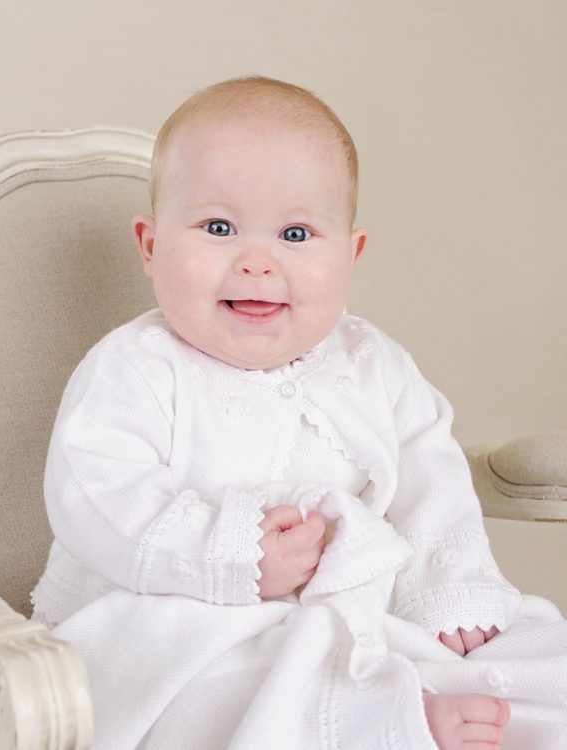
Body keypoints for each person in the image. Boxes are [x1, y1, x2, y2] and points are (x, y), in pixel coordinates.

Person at [32, 76, 567, 750]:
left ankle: (410, 699)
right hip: (176, 619)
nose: (257, 263)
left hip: (357, 609)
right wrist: (231, 552)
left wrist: (451, 591)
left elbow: (431, 478)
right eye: (219, 228)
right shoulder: (134, 367)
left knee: (536, 650)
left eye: (295, 233)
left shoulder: (372, 362)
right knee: (224, 678)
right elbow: (96, 493)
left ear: (350, 254)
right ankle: (386, 721)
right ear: (150, 245)